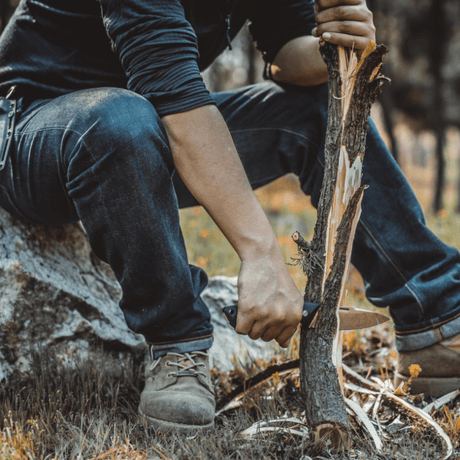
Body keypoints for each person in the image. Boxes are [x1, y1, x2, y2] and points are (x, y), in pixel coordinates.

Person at [0, 0, 459, 432]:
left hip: (144, 130)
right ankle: (176, 342)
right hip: (34, 128)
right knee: (121, 119)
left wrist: (336, 44)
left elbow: (285, 54)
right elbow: (172, 95)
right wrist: (262, 253)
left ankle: (436, 318)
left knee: (314, 107)